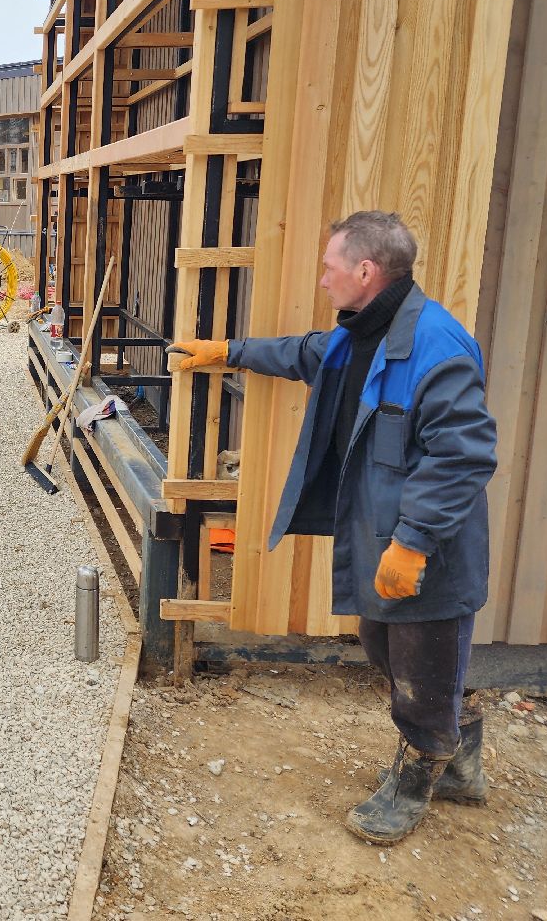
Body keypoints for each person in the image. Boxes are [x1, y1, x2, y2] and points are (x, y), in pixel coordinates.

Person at [169, 210, 497, 846]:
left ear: (366, 271)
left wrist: (412, 541)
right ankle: (459, 755)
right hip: (382, 537)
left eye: (330, 267)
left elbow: (464, 454)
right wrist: (229, 352)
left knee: (418, 669)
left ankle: (418, 776)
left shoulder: (436, 346)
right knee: (385, 649)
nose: (322, 279)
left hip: (426, 550)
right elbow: (305, 352)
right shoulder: (361, 334)